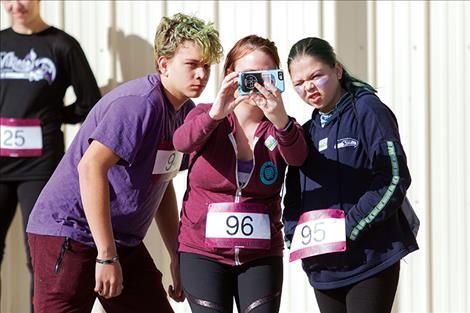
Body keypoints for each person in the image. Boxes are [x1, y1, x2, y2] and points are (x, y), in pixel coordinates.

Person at [25, 13, 223, 313]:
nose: (201, 74)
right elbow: (90, 167)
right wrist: (105, 255)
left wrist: (176, 255)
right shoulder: (139, 103)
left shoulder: (185, 113)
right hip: (69, 232)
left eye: (206, 66)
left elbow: (162, 181)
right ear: (164, 64)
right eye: (192, 64)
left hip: (121, 242)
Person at [282, 37, 419, 313]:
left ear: (338, 71)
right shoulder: (307, 131)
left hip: (371, 260)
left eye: (316, 76)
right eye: (298, 83)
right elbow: (296, 190)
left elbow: (393, 177)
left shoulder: (368, 109)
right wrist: (292, 231)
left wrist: (350, 227)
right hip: (325, 266)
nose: (308, 87)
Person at [174, 35, 308, 313]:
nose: (256, 85)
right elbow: (181, 142)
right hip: (202, 251)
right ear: (229, 77)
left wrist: (280, 120)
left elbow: (298, 159)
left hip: (260, 254)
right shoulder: (205, 116)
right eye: (248, 76)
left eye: (265, 76)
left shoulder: (283, 128)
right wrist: (216, 114)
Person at [0, 0, 101, 310]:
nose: (16, 5)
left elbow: (90, 101)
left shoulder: (62, 45)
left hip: (41, 166)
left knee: (39, 254)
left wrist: (54, 115)